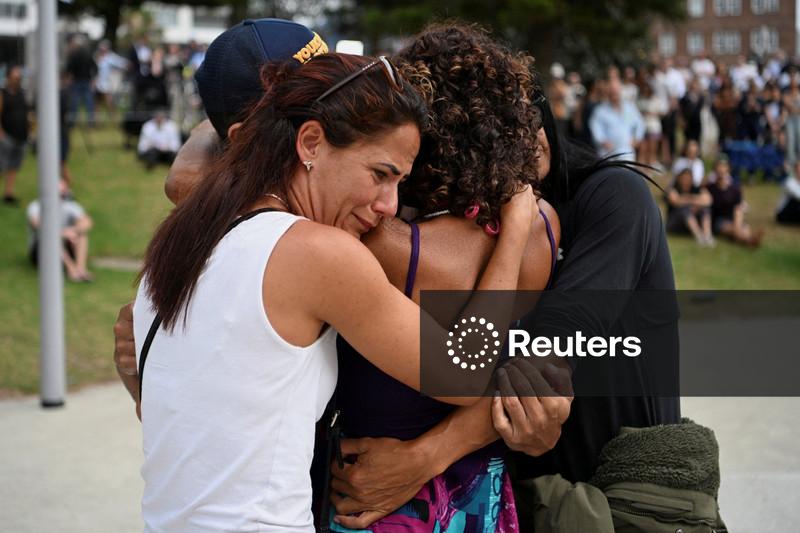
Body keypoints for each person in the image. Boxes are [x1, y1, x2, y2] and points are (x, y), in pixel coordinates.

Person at [132, 48, 537, 533]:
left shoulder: (186, 235)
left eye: (400, 183)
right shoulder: (317, 253)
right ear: (311, 142)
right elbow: (464, 375)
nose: (389, 205)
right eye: (380, 174)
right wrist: (515, 232)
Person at [26, 179, 94, 282]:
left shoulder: (70, 205)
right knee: (51, 238)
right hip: (41, 251)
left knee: (81, 235)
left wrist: (74, 230)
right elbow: (37, 224)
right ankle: (71, 270)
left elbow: (87, 222)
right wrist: (62, 234)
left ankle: (81, 269)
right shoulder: (36, 206)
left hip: (66, 244)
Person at [707, 157, 763, 247]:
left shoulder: (735, 188)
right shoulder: (710, 187)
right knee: (737, 229)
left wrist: (737, 223)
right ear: (714, 169)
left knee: (742, 225)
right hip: (719, 221)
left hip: (734, 218)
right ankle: (750, 239)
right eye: (719, 166)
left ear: (728, 169)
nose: (721, 169)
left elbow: (738, 208)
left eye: (723, 166)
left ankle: (744, 238)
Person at [588, 76, 645, 160]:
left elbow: (640, 123)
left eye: (616, 91)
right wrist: (602, 141)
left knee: (627, 168)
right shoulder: (600, 110)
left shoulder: (630, 107)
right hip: (607, 152)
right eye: (612, 92)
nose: (614, 94)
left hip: (626, 151)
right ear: (608, 93)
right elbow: (595, 128)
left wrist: (637, 138)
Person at [0, 65, 30, 205]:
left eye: (19, 76)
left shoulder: (22, 93)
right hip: (7, 136)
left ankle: (8, 194)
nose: (17, 78)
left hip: (21, 136)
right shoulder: (3, 94)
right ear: (8, 77)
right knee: (2, 166)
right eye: (15, 76)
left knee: (14, 166)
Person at [665, 167, 714, 247]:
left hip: (689, 223)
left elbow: (708, 200)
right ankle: (699, 237)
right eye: (684, 178)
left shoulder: (696, 188)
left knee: (705, 209)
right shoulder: (673, 188)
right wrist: (695, 200)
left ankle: (707, 236)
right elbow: (676, 201)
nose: (686, 180)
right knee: (684, 209)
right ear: (679, 178)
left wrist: (689, 200)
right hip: (674, 223)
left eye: (688, 178)